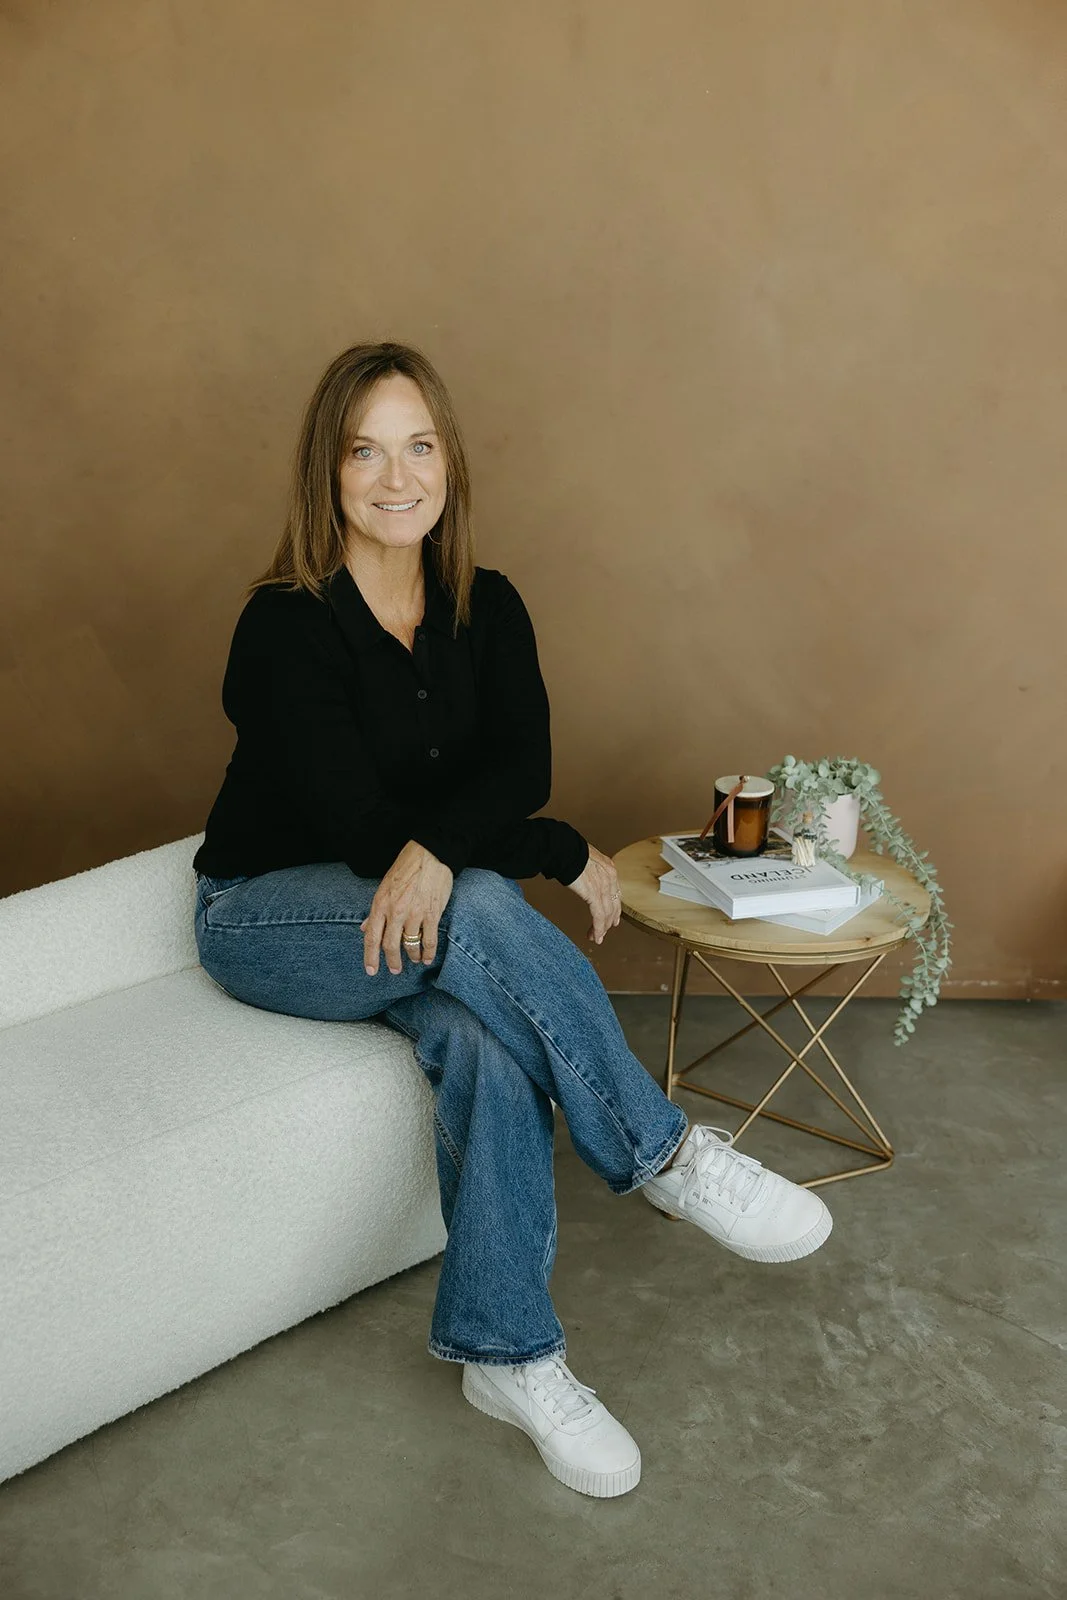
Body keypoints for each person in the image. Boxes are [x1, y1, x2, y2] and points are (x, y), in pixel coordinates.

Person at [192, 340, 833, 1500]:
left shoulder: (489, 606)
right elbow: (362, 821)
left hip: (405, 910)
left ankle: (510, 1354)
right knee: (478, 901)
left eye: (419, 445)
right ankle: (664, 1153)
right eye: (365, 451)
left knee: (485, 1041)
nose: (398, 476)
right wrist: (525, 850)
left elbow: (517, 765)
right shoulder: (281, 627)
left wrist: (480, 843)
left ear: (450, 461)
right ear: (325, 473)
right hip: (267, 915)